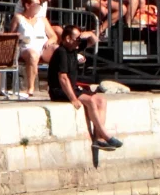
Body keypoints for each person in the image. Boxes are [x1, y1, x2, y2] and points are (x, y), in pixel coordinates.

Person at [47, 20, 121, 151]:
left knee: (101, 100)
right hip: (59, 90)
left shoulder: (73, 48)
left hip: (72, 88)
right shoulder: (62, 52)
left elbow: (94, 39)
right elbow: (63, 78)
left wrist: (85, 34)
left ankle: (99, 138)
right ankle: (105, 135)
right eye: (76, 39)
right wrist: (73, 98)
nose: (79, 42)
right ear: (68, 38)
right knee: (91, 101)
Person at [12, 0, 53, 95]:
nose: (39, 7)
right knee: (32, 55)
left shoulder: (42, 19)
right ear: (27, 5)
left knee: (57, 50)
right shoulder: (19, 18)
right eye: (37, 5)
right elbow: (11, 35)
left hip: (42, 46)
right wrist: (20, 39)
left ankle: (56, 84)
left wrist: (50, 41)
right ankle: (31, 87)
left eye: (40, 5)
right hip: (26, 46)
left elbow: (53, 36)